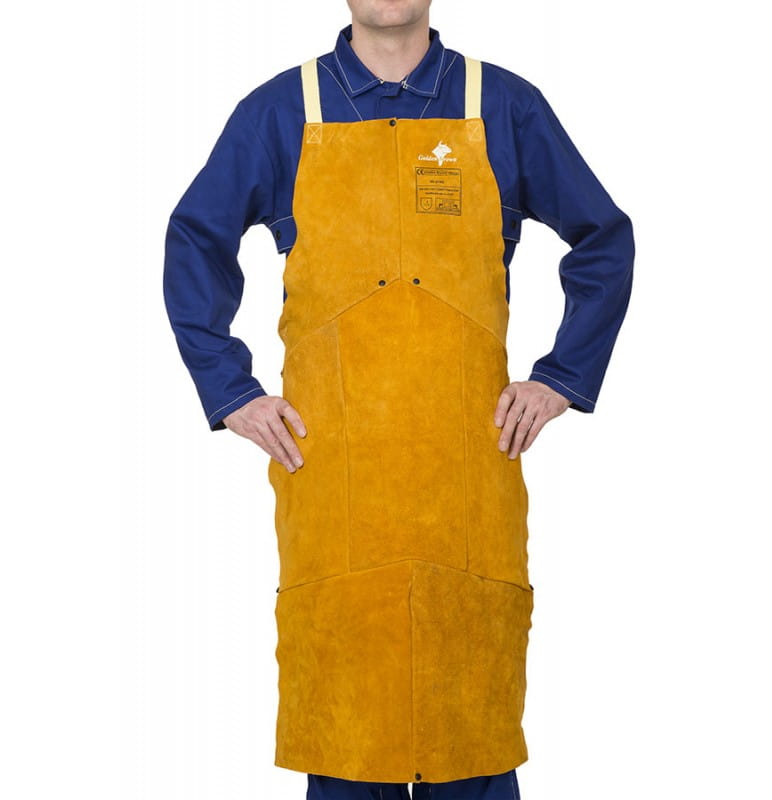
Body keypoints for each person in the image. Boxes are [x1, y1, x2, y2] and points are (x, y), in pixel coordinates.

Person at [163, 1, 635, 797]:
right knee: (349, 743)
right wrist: (230, 389)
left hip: (466, 483)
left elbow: (603, 239)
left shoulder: (502, 105)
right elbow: (194, 240)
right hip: (336, 485)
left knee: (471, 738)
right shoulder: (281, 111)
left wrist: (562, 377)